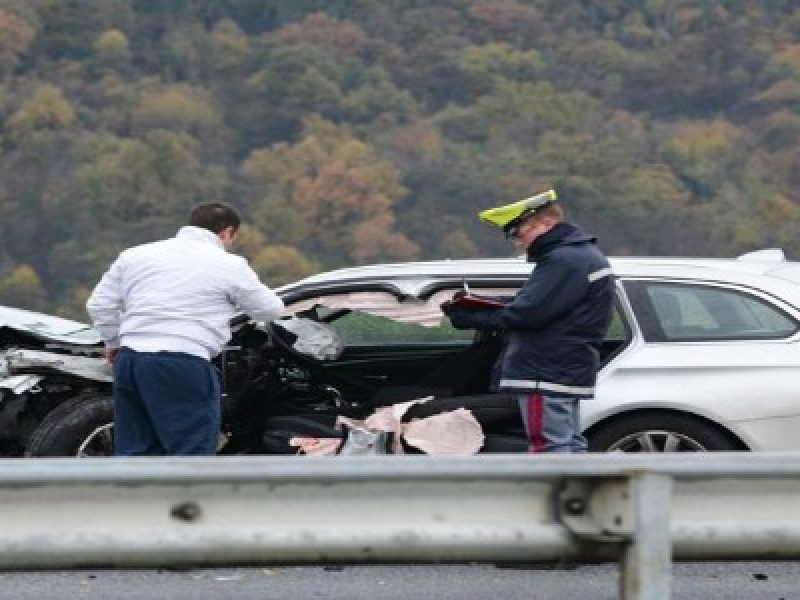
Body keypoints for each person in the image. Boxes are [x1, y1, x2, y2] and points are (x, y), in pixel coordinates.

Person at [86, 202, 285, 456]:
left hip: (131, 362)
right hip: (183, 362)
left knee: (135, 453)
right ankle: (188, 498)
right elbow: (271, 310)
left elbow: (99, 305)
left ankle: (136, 497)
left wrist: (113, 343)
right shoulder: (228, 265)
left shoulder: (135, 255)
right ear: (227, 232)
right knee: (191, 453)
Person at [441, 189, 614, 453]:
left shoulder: (562, 261)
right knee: (571, 445)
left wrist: (470, 317)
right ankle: (581, 493)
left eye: (517, 232)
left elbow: (527, 313)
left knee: (548, 448)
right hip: (566, 368)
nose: (516, 242)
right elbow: (540, 303)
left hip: (543, 371)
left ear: (546, 224)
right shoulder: (582, 256)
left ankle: (558, 496)